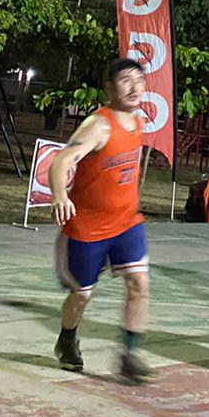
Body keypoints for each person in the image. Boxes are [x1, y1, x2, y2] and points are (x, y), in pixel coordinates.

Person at [49, 58, 152, 384]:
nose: (135, 87)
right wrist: (59, 195)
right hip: (88, 229)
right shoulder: (99, 126)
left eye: (139, 80)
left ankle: (129, 355)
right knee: (81, 296)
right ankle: (67, 338)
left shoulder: (138, 123)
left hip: (126, 224)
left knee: (139, 285)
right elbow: (62, 159)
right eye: (125, 80)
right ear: (109, 88)